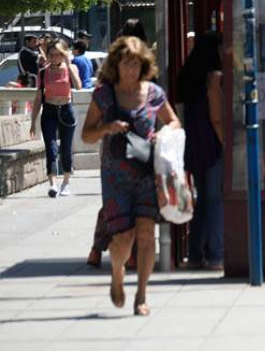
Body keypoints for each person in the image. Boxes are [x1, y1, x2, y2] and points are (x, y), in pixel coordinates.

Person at [81, 36, 180, 316]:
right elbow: (86, 135)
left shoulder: (153, 93)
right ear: (116, 64)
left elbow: (173, 120)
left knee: (147, 234)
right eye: (126, 64)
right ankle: (117, 272)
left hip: (147, 173)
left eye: (136, 64)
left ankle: (142, 296)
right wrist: (107, 127)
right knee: (122, 238)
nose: (131, 70)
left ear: (144, 65)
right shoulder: (104, 95)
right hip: (115, 176)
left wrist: (165, 131)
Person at [178, 32, 225, 271]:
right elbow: (217, 117)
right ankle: (216, 253)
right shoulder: (214, 77)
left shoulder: (191, 77)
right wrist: (226, 143)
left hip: (195, 145)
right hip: (213, 145)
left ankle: (196, 253)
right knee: (215, 200)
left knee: (203, 200)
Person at [29, 39, 81, 197]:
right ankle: (52, 183)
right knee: (51, 148)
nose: (54, 58)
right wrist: (33, 121)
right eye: (51, 55)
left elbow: (78, 86)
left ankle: (66, 182)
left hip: (66, 110)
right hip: (49, 111)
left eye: (59, 55)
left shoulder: (71, 68)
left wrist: (68, 63)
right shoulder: (43, 72)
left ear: (64, 54)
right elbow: (38, 98)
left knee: (66, 148)